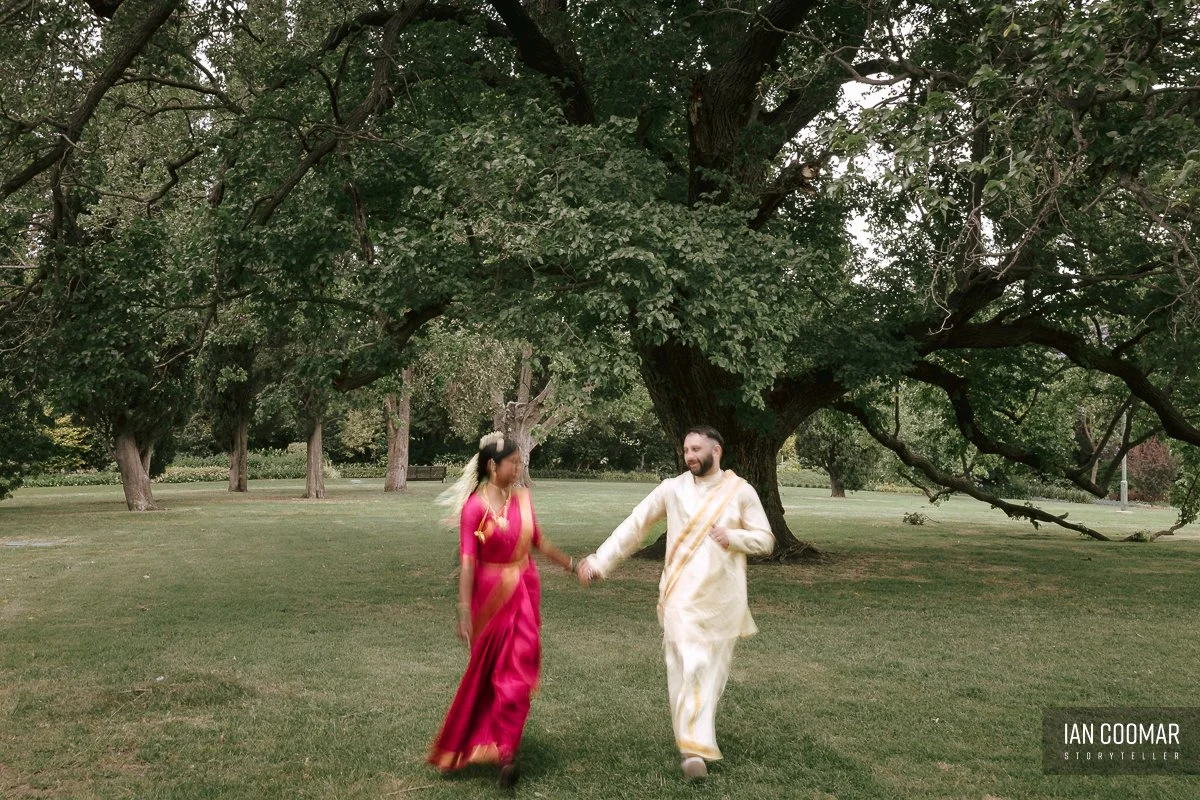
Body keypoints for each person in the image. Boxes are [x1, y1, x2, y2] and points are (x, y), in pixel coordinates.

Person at [577, 425, 774, 780]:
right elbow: (635, 525)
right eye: (686, 450)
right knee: (692, 665)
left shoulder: (740, 492)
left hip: (723, 601)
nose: (689, 456)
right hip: (680, 598)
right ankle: (693, 750)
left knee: (710, 674)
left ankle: (695, 737)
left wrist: (734, 537)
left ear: (717, 451)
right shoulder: (672, 489)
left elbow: (766, 540)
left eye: (696, 449)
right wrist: (600, 561)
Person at [428, 432, 578, 789]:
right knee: (493, 674)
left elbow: (539, 542)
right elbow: (468, 560)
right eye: (513, 462)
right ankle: (497, 745)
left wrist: (572, 564)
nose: (518, 468)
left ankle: (507, 750)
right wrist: (463, 607)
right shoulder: (475, 509)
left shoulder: (523, 500)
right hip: (489, 598)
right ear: (494, 466)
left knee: (518, 671)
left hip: (523, 592)